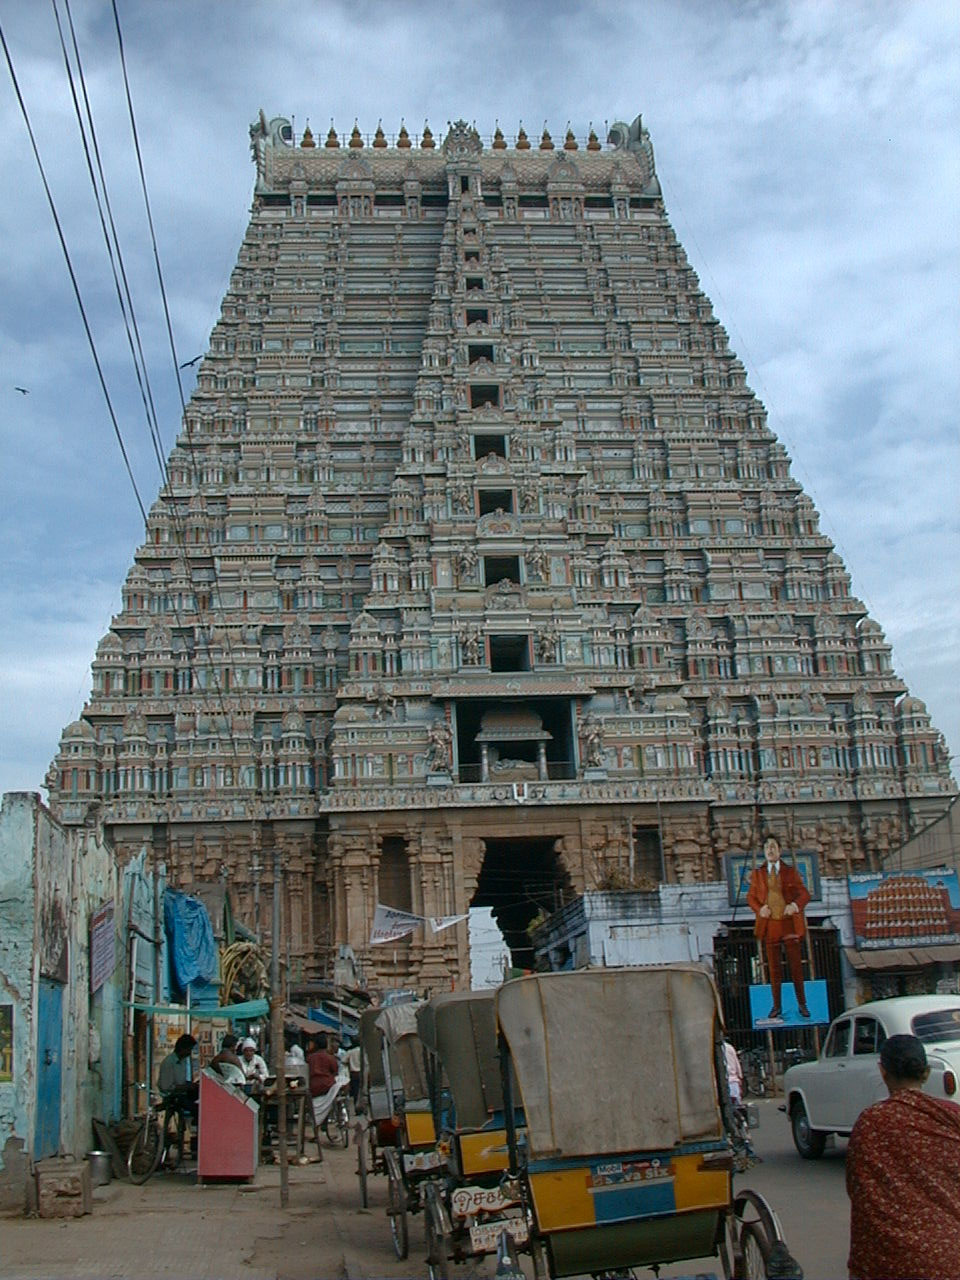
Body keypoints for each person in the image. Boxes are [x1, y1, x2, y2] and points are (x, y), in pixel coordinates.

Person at [846, 1033, 960, 1279]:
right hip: (950, 1258)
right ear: (926, 1073)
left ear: (883, 1072)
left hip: (886, 1262)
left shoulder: (870, 1123)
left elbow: (857, 1188)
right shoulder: (952, 1116)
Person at [746, 836, 811, 1018]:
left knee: (795, 965)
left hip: (788, 923)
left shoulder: (790, 872)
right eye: (767, 847)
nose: (770, 850)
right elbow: (750, 897)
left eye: (773, 846)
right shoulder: (759, 874)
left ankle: (802, 1003)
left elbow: (805, 894)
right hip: (771, 924)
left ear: (779, 850)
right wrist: (760, 909)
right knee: (773, 968)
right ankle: (776, 1006)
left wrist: (795, 905)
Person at [157, 1033, 199, 1114]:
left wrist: (192, 1085)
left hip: (181, 1092)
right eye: (189, 1050)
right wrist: (186, 1087)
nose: (190, 1053)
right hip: (172, 1096)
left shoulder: (183, 1061)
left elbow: (180, 1081)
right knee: (196, 1109)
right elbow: (166, 1087)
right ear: (182, 1049)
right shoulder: (169, 1062)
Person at [307, 1034, 340, 1098]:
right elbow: (335, 1072)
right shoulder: (330, 1058)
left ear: (315, 1045)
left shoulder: (310, 1057)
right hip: (328, 1086)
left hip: (313, 1086)